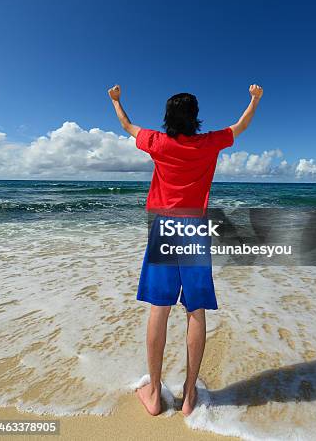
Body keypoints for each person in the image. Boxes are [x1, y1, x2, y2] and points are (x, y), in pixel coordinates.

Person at [108, 83, 263, 416]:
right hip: (195, 229)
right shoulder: (208, 144)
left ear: (167, 118)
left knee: (159, 310)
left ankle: (153, 395)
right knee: (195, 310)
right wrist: (254, 99)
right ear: (195, 118)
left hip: (164, 227)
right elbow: (242, 125)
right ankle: (189, 396)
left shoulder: (158, 142)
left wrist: (117, 101)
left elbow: (126, 125)